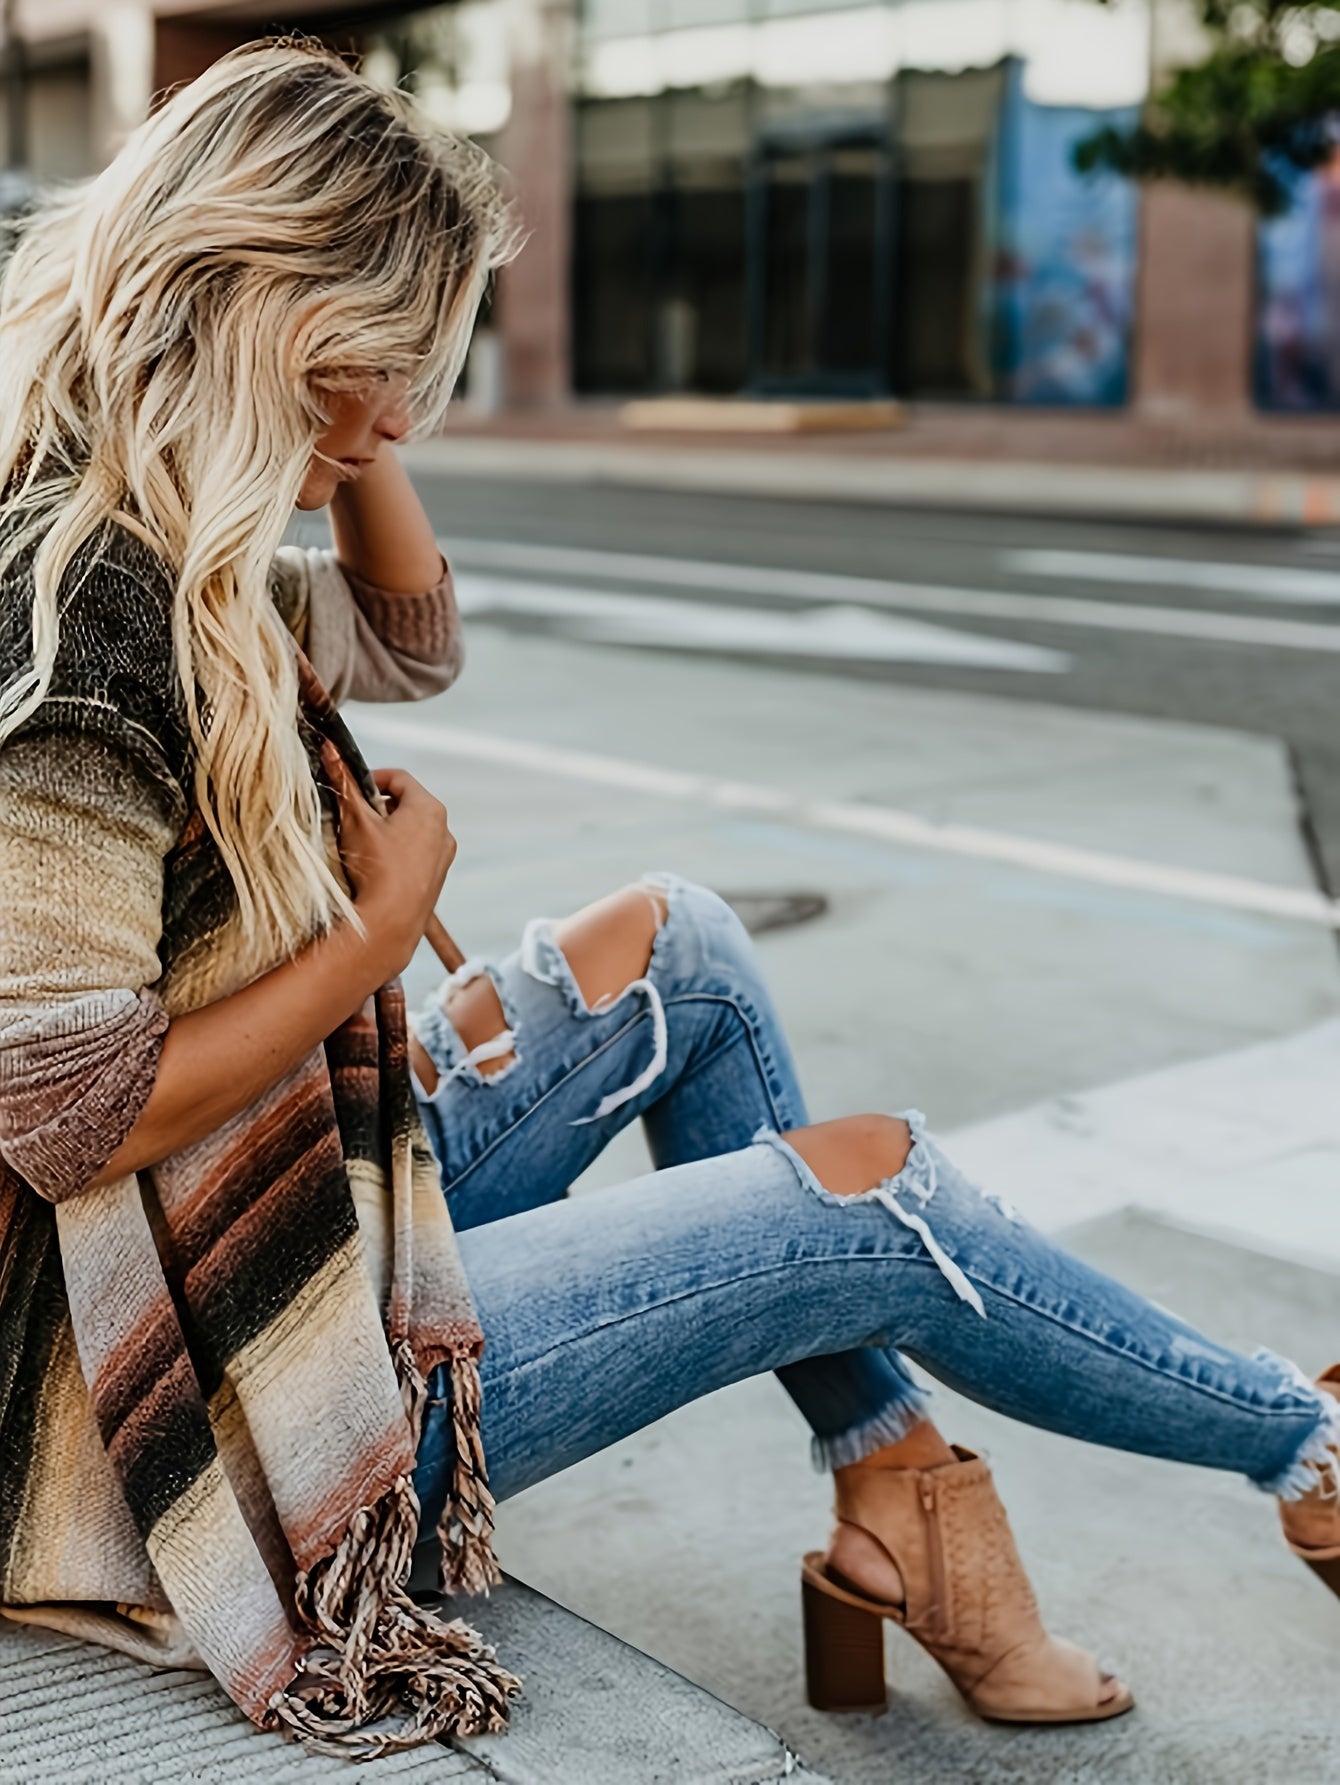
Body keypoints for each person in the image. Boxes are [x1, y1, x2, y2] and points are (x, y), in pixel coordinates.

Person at [0, 37, 1334, 1760]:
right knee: (867, 1190)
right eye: (385, 363)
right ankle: (1301, 1444)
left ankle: (890, 1488)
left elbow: (412, 640)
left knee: (682, 950)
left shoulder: (191, 544)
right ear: (265, 314)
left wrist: (338, 413)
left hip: (271, 1223)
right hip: (184, 1416)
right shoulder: (72, 617)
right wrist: (378, 935)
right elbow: (58, 1116)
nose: (410, 415)